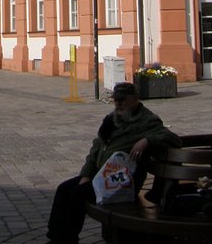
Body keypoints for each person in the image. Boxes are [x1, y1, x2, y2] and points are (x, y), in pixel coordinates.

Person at [46, 81, 181, 244]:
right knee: (63, 189)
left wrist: (147, 140)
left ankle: (68, 240)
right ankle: (55, 238)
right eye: (116, 99)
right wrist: (86, 174)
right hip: (101, 175)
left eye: (123, 100)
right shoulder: (111, 119)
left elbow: (173, 139)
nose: (118, 103)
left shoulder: (147, 120)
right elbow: (96, 148)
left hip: (121, 181)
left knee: (77, 195)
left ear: (135, 98)